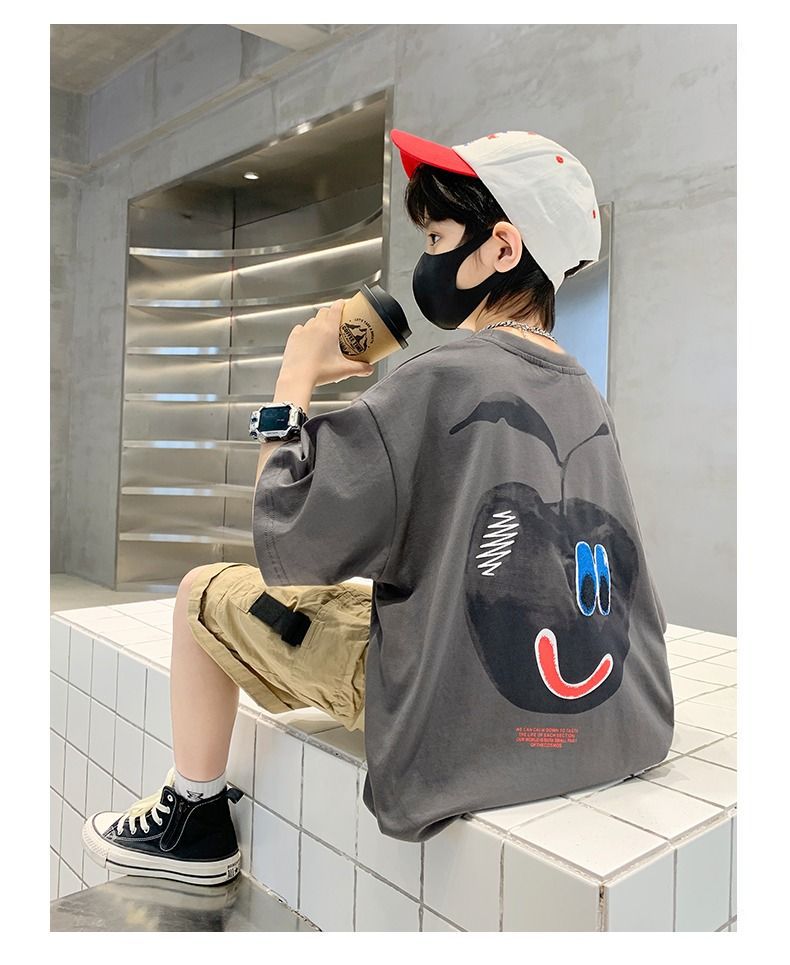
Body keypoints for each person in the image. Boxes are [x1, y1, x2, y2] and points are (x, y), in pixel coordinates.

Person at [82, 129, 673, 884]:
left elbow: (287, 536)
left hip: (456, 707)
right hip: (611, 722)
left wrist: (296, 374)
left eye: (436, 238)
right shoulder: (585, 392)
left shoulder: (441, 376)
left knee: (202, 591)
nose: (428, 260)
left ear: (501, 247)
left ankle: (193, 819)